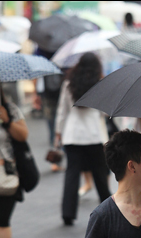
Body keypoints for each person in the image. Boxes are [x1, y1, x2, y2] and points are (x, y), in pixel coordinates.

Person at [54, 52, 111, 226]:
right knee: (100, 175)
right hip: (94, 134)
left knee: (72, 174)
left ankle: (68, 213)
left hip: (72, 135)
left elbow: (62, 111)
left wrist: (58, 132)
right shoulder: (101, 84)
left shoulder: (68, 83)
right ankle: (109, 211)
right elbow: (105, 112)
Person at [0, 75, 28, 238]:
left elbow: (23, 135)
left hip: (4, 174)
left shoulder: (9, 108)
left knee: (1, 221)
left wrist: (6, 120)